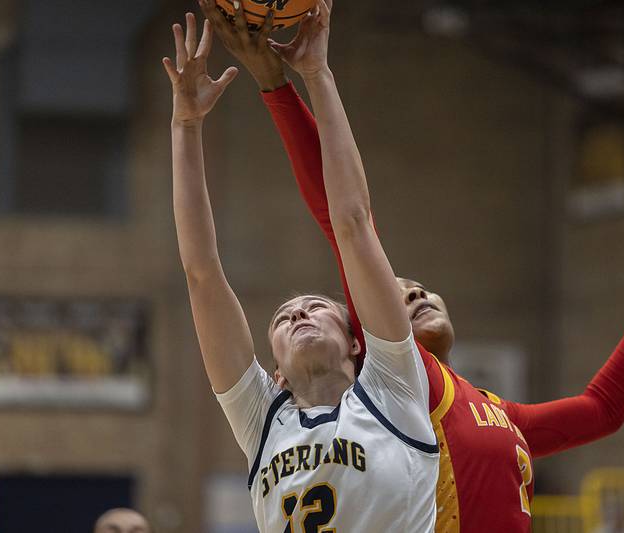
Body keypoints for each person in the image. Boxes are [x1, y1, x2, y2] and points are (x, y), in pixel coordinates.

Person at [201, 0, 624, 531]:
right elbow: (342, 217)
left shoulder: (496, 411)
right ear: (364, 338)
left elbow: (602, 410)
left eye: (421, 289)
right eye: (398, 292)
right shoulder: (395, 390)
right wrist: (278, 86)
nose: (412, 294)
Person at [162, 8, 438, 532]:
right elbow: (202, 274)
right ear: (277, 373)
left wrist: (318, 74)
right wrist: (186, 125)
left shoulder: (396, 388)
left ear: (358, 342)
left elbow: (353, 223)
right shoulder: (261, 419)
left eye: (317, 307)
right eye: (283, 318)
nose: (298, 314)